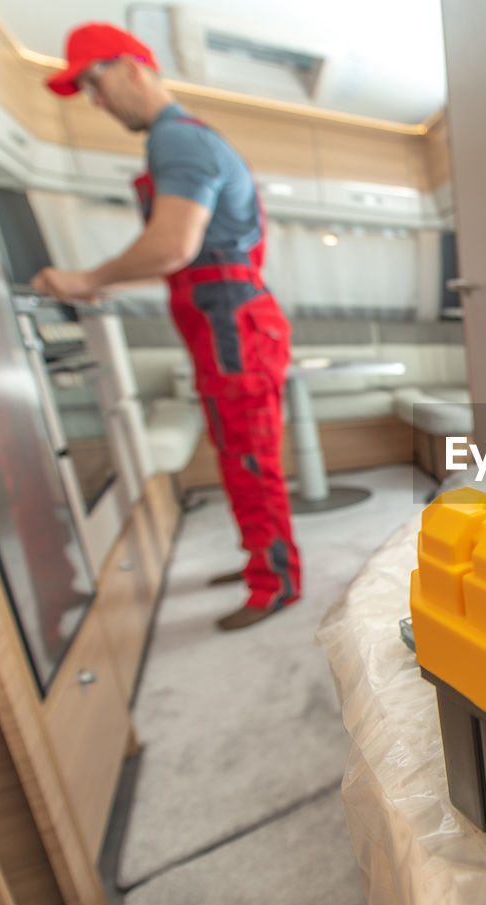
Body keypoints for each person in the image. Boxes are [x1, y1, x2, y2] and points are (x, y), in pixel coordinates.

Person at [33, 23, 301, 631]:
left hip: (233, 321)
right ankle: (263, 557)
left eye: (94, 84)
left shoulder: (177, 140)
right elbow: (177, 256)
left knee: (251, 457)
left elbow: (171, 247)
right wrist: (97, 280)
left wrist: (86, 278)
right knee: (238, 454)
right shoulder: (175, 141)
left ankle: (277, 581)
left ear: (134, 68)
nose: (96, 103)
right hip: (221, 320)